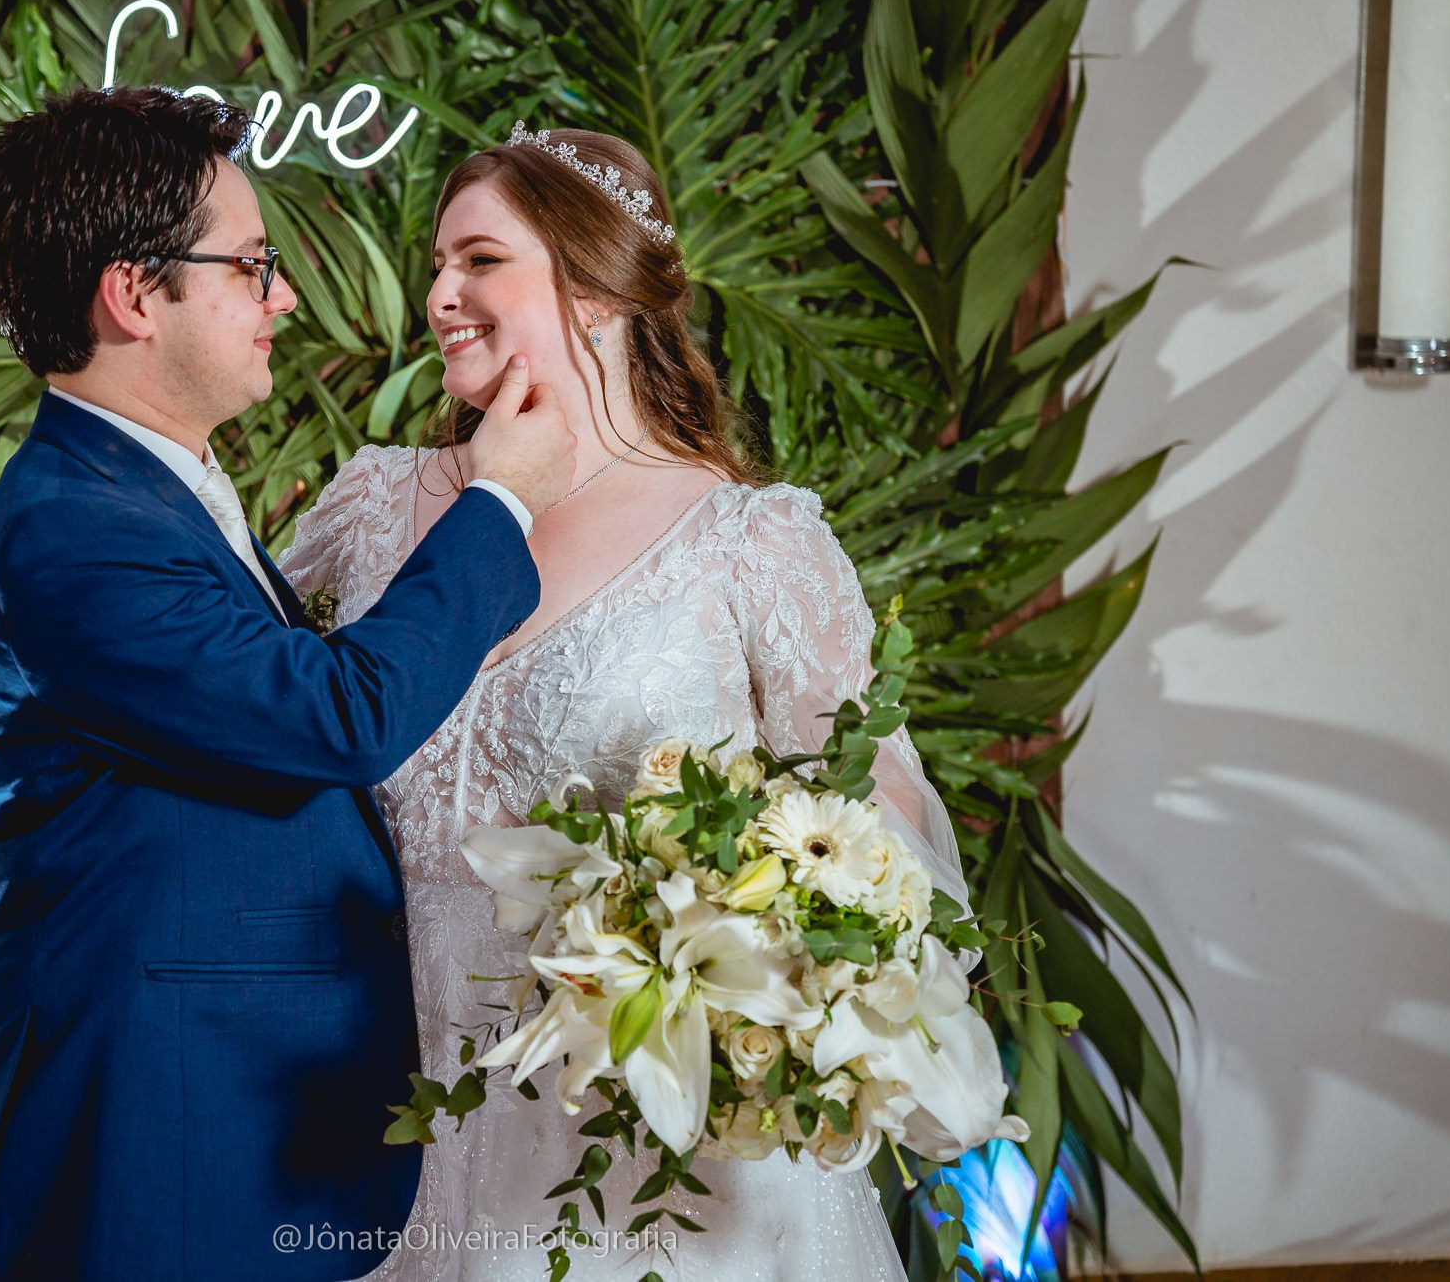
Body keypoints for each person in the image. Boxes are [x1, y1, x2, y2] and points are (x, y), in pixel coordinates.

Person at [280, 125, 969, 1281]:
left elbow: (873, 822)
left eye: (479, 260)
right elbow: (245, 708)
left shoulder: (752, 542)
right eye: (438, 263)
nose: (439, 293)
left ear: (594, 291)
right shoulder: (371, 504)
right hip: (407, 1133)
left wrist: (757, 929)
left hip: (669, 1153)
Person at [0, 87, 576, 1281]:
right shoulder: (67, 530)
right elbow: (339, 714)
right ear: (134, 295)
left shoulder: (143, 493)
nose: (283, 296)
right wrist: (500, 496)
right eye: (250, 264)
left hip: (243, 1131)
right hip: (155, 1150)